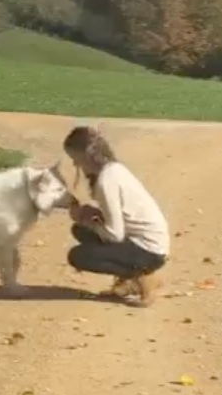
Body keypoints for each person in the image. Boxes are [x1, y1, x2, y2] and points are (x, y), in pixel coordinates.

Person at [61, 124, 170, 306]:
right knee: (80, 230)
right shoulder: (114, 170)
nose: (75, 164)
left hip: (148, 250)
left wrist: (87, 220)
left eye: (76, 159)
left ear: (87, 156)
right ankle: (128, 281)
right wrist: (94, 215)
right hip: (150, 243)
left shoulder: (106, 180)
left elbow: (114, 234)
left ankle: (144, 276)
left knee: (78, 256)